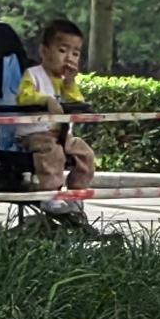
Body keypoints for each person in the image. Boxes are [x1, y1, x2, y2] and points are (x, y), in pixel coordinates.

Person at [17, 16, 97, 217]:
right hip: (36, 134)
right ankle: (50, 195)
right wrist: (45, 101)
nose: (69, 57)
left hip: (63, 135)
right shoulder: (33, 74)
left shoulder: (64, 82)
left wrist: (70, 83)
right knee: (52, 154)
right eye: (62, 51)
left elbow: (76, 102)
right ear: (44, 51)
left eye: (75, 53)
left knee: (85, 154)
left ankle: (75, 196)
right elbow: (23, 97)